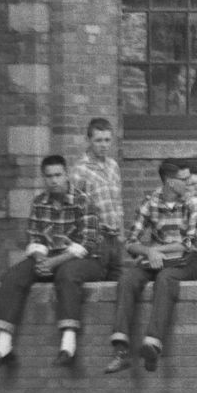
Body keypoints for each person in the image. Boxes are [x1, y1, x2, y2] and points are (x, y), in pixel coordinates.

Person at [0, 155, 103, 368]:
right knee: (13, 277)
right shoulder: (39, 202)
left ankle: (68, 346)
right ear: (44, 178)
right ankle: (3, 347)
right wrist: (41, 260)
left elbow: (88, 243)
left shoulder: (84, 200)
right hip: (48, 257)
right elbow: (34, 237)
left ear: (66, 175)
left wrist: (54, 262)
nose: (54, 180)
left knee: (67, 275)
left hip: (81, 259)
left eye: (58, 175)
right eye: (48, 176)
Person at [105, 159, 197, 374]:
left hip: (184, 261)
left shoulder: (193, 203)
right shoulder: (150, 203)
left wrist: (157, 250)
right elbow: (130, 241)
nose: (190, 184)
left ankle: (152, 344)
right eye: (184, 180)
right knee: (127, 280)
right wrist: (148, 251)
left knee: (165, 279)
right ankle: (120, 350)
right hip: (155, 258)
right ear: (170, 183)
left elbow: (190, 242)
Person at [70, 118, 125, 281]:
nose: (103, 145)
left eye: (107, 140)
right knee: (98, 287)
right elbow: (76, 211)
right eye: (98, 140)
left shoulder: (113, 166)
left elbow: (118, 202)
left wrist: (121, 233)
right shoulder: (79, 170)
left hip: (115, 238)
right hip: (98, 239)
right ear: (89, 140)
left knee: (117, 284)